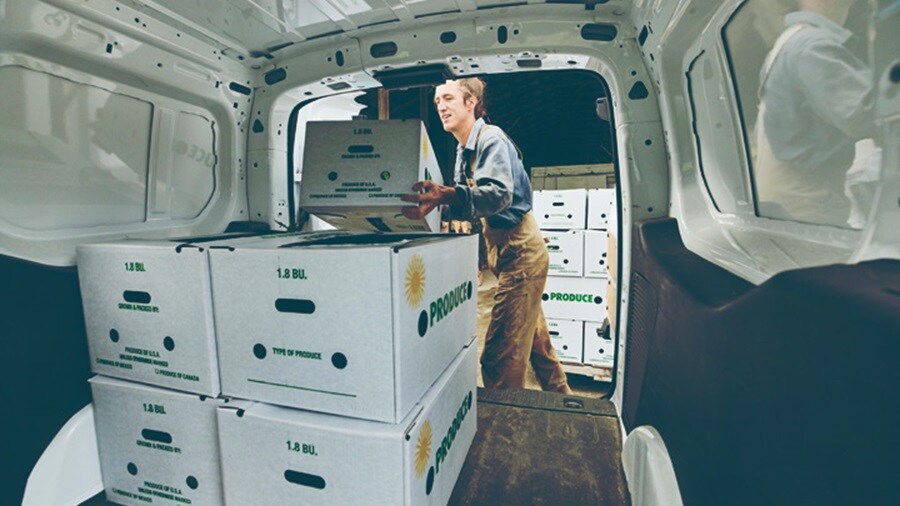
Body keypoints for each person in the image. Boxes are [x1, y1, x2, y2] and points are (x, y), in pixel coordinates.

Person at [401, 78, 572, 394]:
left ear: (471, 102)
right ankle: (567, 406)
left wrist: (447, 196)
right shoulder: (462, 149)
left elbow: (498, 195)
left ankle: (504, 432)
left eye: (449, 98)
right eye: (437, 100)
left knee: (499, 356)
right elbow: (467, 205)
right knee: (538, 346)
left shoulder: (490, 139)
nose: (440, 106)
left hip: (519, 249)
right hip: (503, 247)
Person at [755, 0, 877, 227]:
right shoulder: (811, 46)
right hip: (808, 207)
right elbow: (866, 115)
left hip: (791, 205)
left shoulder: (790, 41)